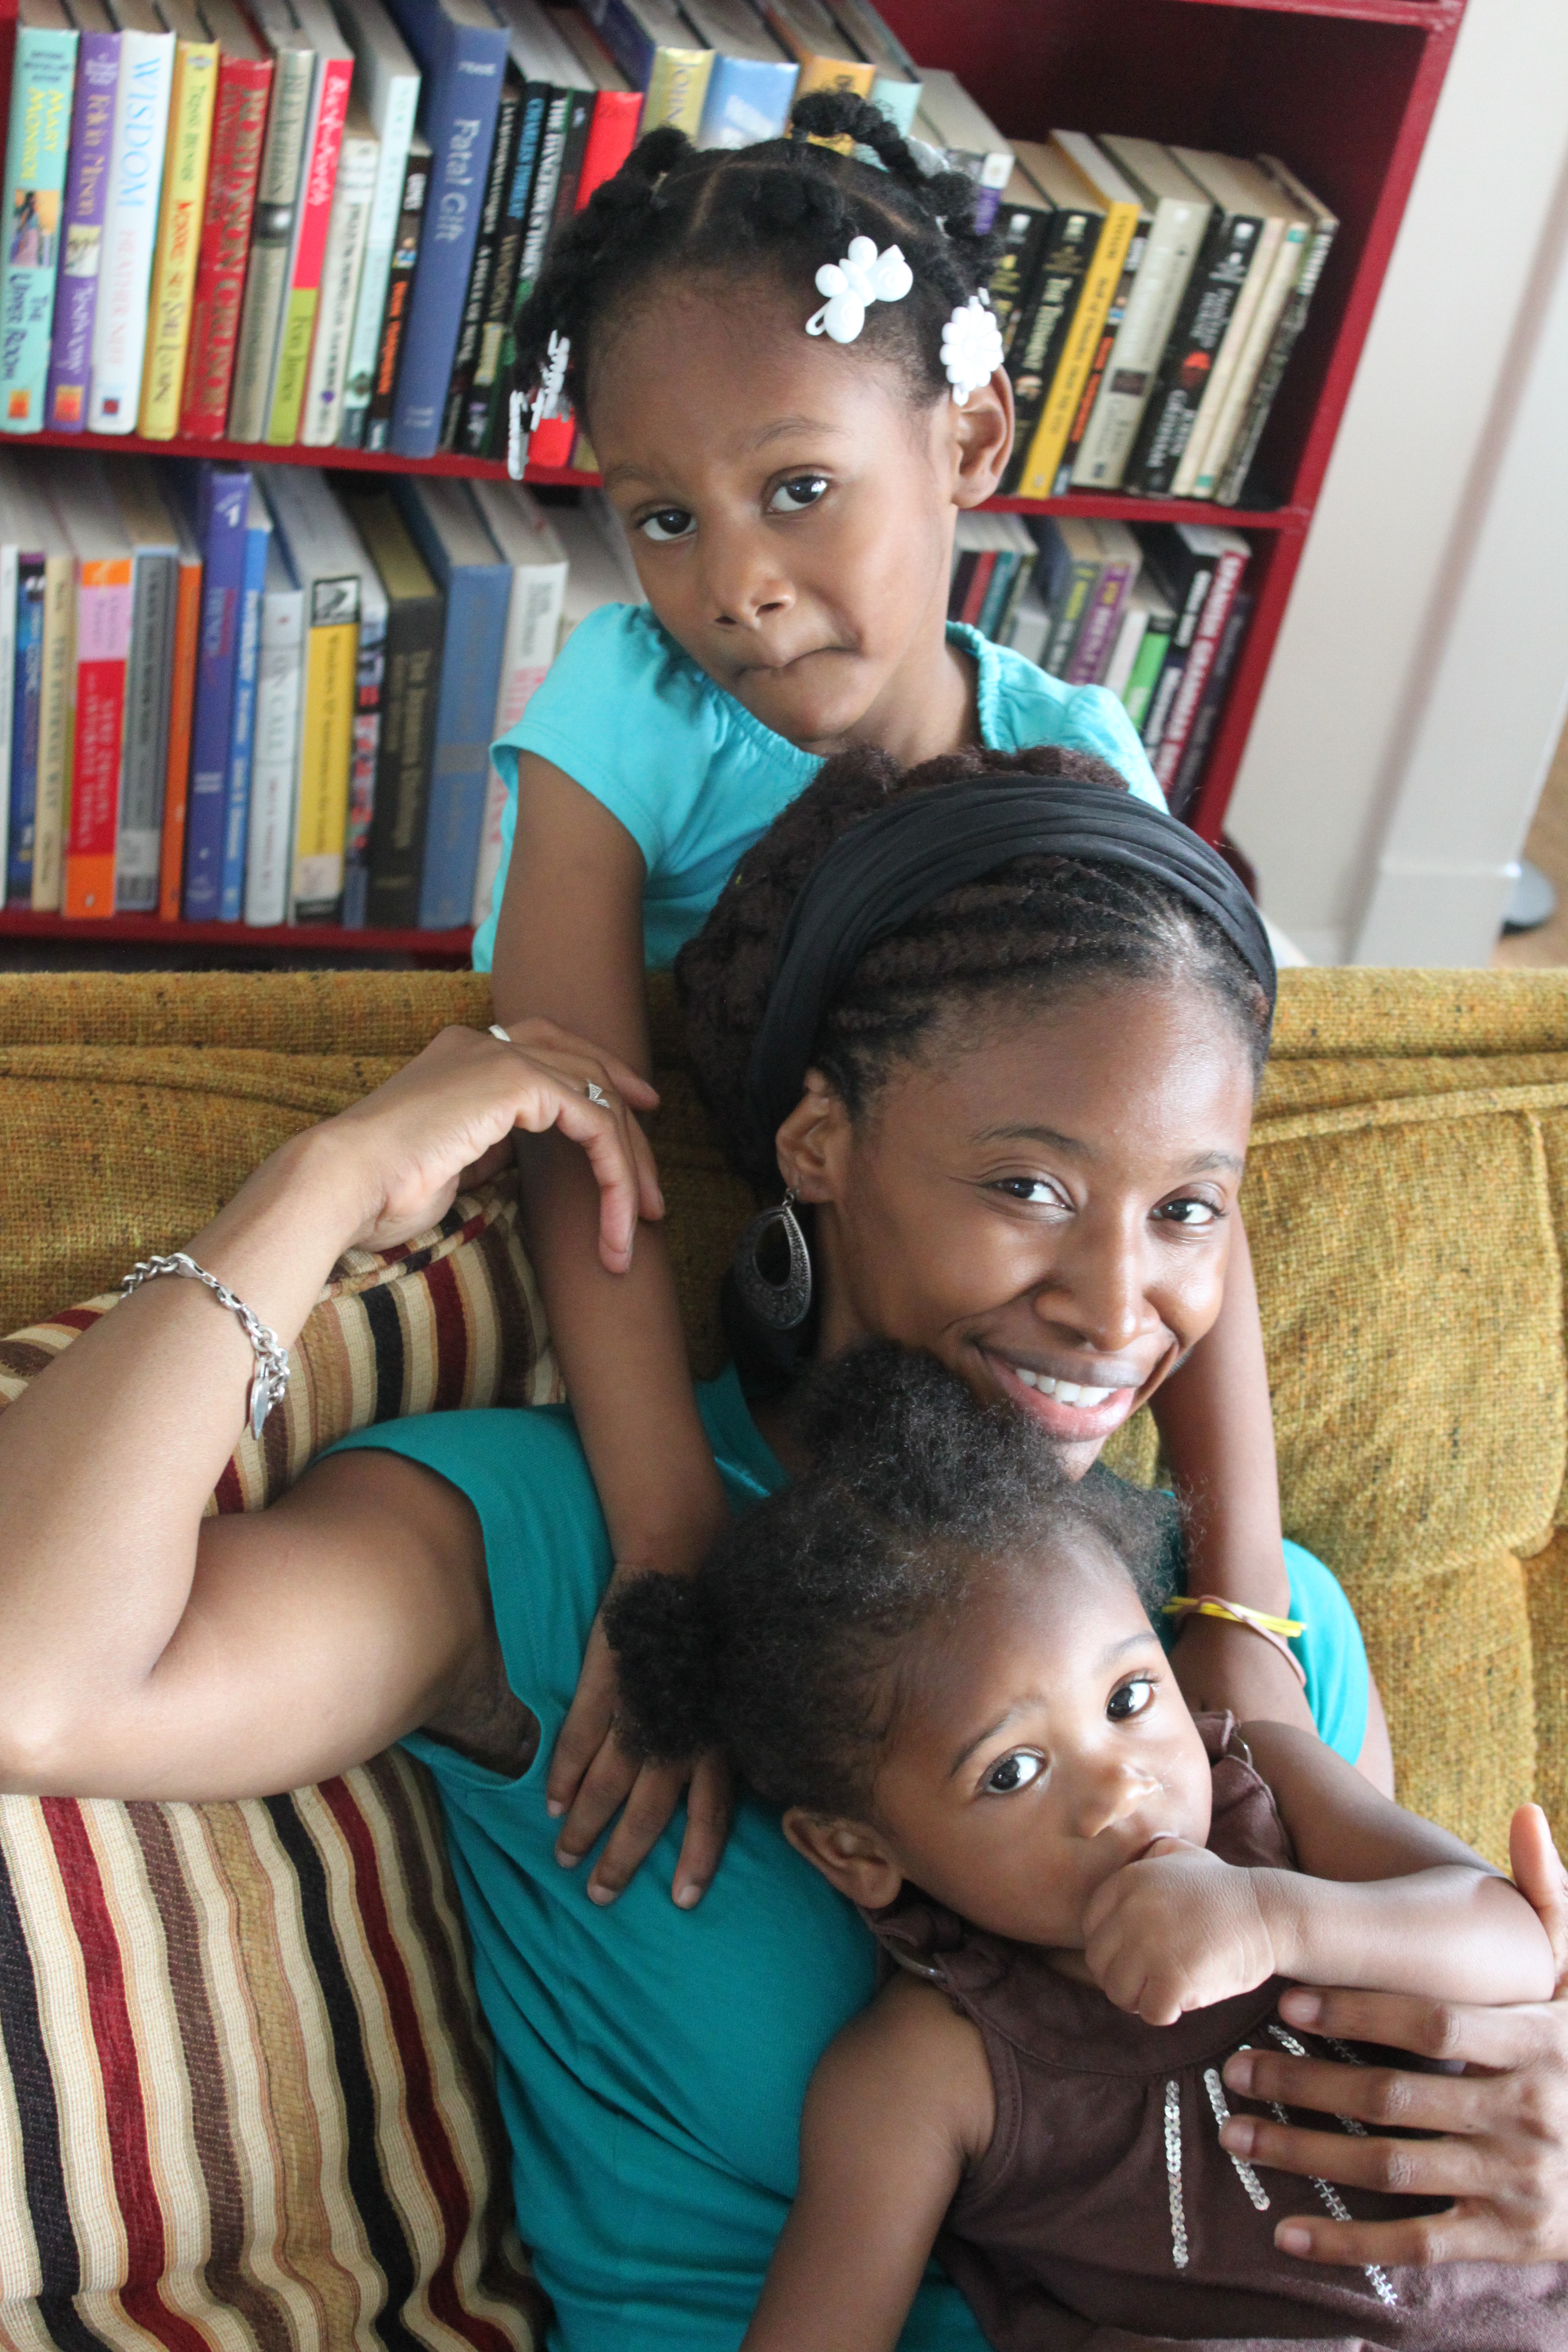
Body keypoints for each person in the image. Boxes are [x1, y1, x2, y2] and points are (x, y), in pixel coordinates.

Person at [1, 754, 1564, 2351]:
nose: (1114, 1308)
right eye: (1027, 1186)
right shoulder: (561, 1545)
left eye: (1184, 1212)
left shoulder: (1254, 1638)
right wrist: (324, 1183)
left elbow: (1407, 2155)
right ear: (817, 1141)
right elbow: (30, 1688)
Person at [477, 91, 1336, 1914]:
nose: (734, 588)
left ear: (966, 436)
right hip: (735, 1325)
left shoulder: (1072, 747)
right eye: (660, 518)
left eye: (797, 490)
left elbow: (1177, 1164)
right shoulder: (625, 712)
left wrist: (1245, 1604)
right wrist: (669, 1551)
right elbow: (569, 1124)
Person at [607, 1344, 1564, 2350]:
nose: (1118, 1785)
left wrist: (1275, 1918)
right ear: (856, 1853)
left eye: (1128, 1698)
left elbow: (1519, 1947)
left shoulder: (1268, 1789)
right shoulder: (925, 2076)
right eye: (1012, 1772)